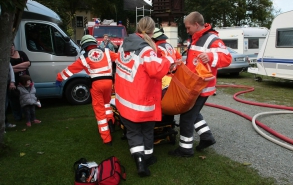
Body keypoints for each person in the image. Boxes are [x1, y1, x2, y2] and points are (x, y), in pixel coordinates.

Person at [114, 16, 175, 177]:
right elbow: (156, 70)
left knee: (133, 132)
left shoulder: (124, 46)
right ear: (152, 30)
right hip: (142, 101)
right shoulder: (146, 49)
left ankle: (139, 161)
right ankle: (147, 157)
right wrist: (169, 58)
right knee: (147, 131)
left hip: (124, 100)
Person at [168, 11, 232, 157]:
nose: (187, 30)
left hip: (201, 87)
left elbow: (227, 58)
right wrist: (181, 62)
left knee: (187, 117)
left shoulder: (212, 40)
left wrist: (210, 56)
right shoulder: (195, 38)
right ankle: (206, 137)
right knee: (192, 113)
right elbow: (193, 62)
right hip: (194, 86)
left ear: (197, 24)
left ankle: (185, 149)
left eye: (188, 27)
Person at [56, 35, 118, 145]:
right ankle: (111, 123)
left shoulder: (84, 58)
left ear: (84, 46)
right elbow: (119, 58)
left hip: (96, 85)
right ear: (95, 43)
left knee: (99, 111)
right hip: (109, 83)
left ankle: (107, 138)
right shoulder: (107, 52)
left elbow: (71, 70)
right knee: (107, 104)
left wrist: (59, 77)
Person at [9, 42, 31, 121]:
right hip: (13, 82)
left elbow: (28, 63)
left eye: (12, 46)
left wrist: (12, 67)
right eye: (9, 47)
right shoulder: (6, 57)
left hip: (25, 81)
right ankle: (17, 116)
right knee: (14, 99)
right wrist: (18, 68)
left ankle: (28, 115)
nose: (11, 49)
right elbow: (7, 70)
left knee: (26, 98)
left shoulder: (21, 53)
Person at [5, 63, 17, 129]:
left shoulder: (5, 58)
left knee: (5, 105)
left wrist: (12, 82)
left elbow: (11, 70)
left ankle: (5, 123)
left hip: (5, 84)